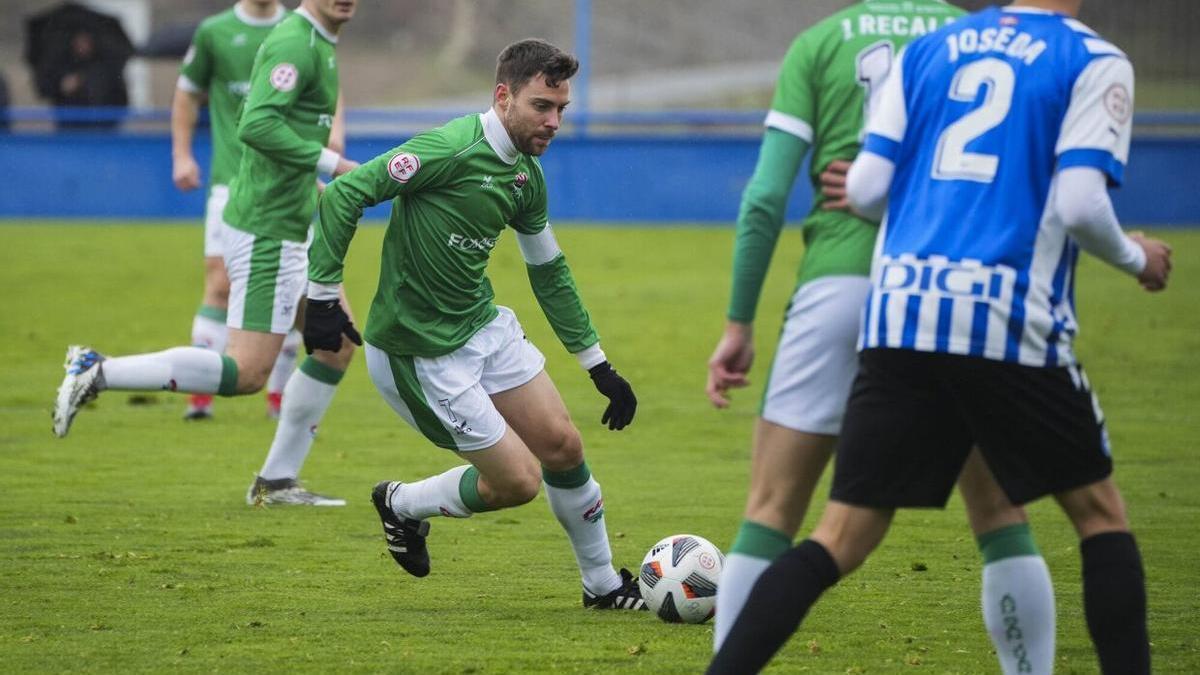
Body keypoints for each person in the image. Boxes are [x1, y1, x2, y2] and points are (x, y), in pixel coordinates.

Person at [708, 1, 1171, 673]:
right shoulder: (1092, 58)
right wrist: (1135, 256)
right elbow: (1077, 201)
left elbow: (863, 186)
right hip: (1002, 315)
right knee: (1077, 514)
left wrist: (738, 320)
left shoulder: (927, 50)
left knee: (833, 531)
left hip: (897, 312)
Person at [306, 38, 645, 610]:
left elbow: (550, 273)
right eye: (542, 105)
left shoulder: (526, 178)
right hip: (418, 354)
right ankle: (402, 503)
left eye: (561, 108)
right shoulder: (448, 149)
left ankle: (604, 586)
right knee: (517, 484)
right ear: (503, 96)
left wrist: (599, 366)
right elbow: (345, 193)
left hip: (481, 328)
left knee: (563, 446)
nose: (554, 121)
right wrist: (320, 300)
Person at [53, 0, 361, 507]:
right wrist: (334, 164)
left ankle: (277, 481)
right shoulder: (293, 43)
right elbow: (257, 126)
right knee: (246, 372)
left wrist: (315, 190)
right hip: (269, 232)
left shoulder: (319, 42)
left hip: (290, 219)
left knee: (337, 344)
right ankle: (97, 370)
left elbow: (284, 137)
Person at [172, 0, 313, 422]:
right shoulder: (214, 32)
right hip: (229, 181)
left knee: (293, 288)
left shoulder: (302, 27)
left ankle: (278, 395)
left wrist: (332, 142)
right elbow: (186, 94)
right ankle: (199, 395)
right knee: (219, 281)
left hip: (288, 185)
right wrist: (181, 154)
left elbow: (331, 94)